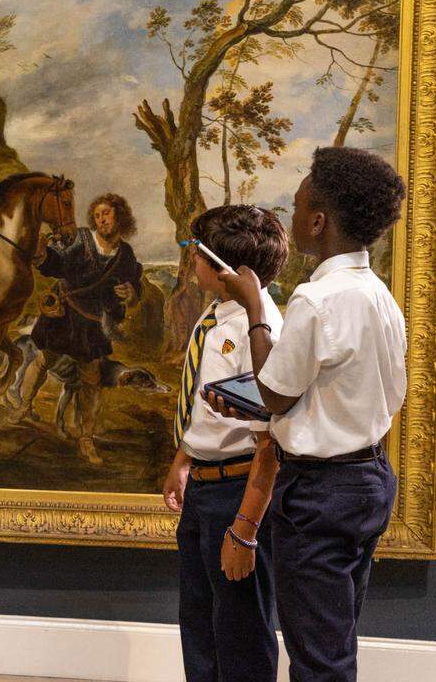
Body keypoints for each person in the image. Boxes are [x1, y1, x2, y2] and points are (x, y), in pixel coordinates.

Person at [210, 146, 407, 682]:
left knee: (317, 660)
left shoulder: (317, 299)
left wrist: (255, 307)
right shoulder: (378, 295)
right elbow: (376, 394)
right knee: (334, 638)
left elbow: (274, 395)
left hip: (320, 493)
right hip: (369, 480)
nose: (292, 216)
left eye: (297, 206)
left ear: (318, 221)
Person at [162, 205, 288, 682]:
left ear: (227, 271)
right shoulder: (214, 316)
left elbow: (270, 442)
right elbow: (203, 402)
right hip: (204, 488)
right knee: (199, 620)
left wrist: (245, 529)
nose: (190, 261)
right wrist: (183, 458)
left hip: (238, 493)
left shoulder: (259, 330)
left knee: (241, 626)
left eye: (194, 253)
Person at [11, 193, 142, 465]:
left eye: (106, 214)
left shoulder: (125, 254)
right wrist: (41, 254)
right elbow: (55, 264)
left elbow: (134, 281)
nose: (101, 219)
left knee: (91, 379)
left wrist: (130, 291)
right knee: (44, 359)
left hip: (91, 322)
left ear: (120, 216)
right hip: (64, 313)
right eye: (97, 215)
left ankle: (86, 438)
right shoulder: (82, 239)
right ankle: (24, 406)